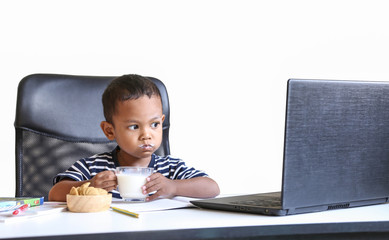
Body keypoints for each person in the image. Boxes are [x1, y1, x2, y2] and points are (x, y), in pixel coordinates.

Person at [48, 74, 220, 202]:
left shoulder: (169, 169)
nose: (147, 135)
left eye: (154, 124)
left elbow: (212, 187)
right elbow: (54, 194)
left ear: (162, 122)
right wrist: (90, 186)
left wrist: (173, 186)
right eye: (134, 126)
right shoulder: (94, 168)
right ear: (109, 131)